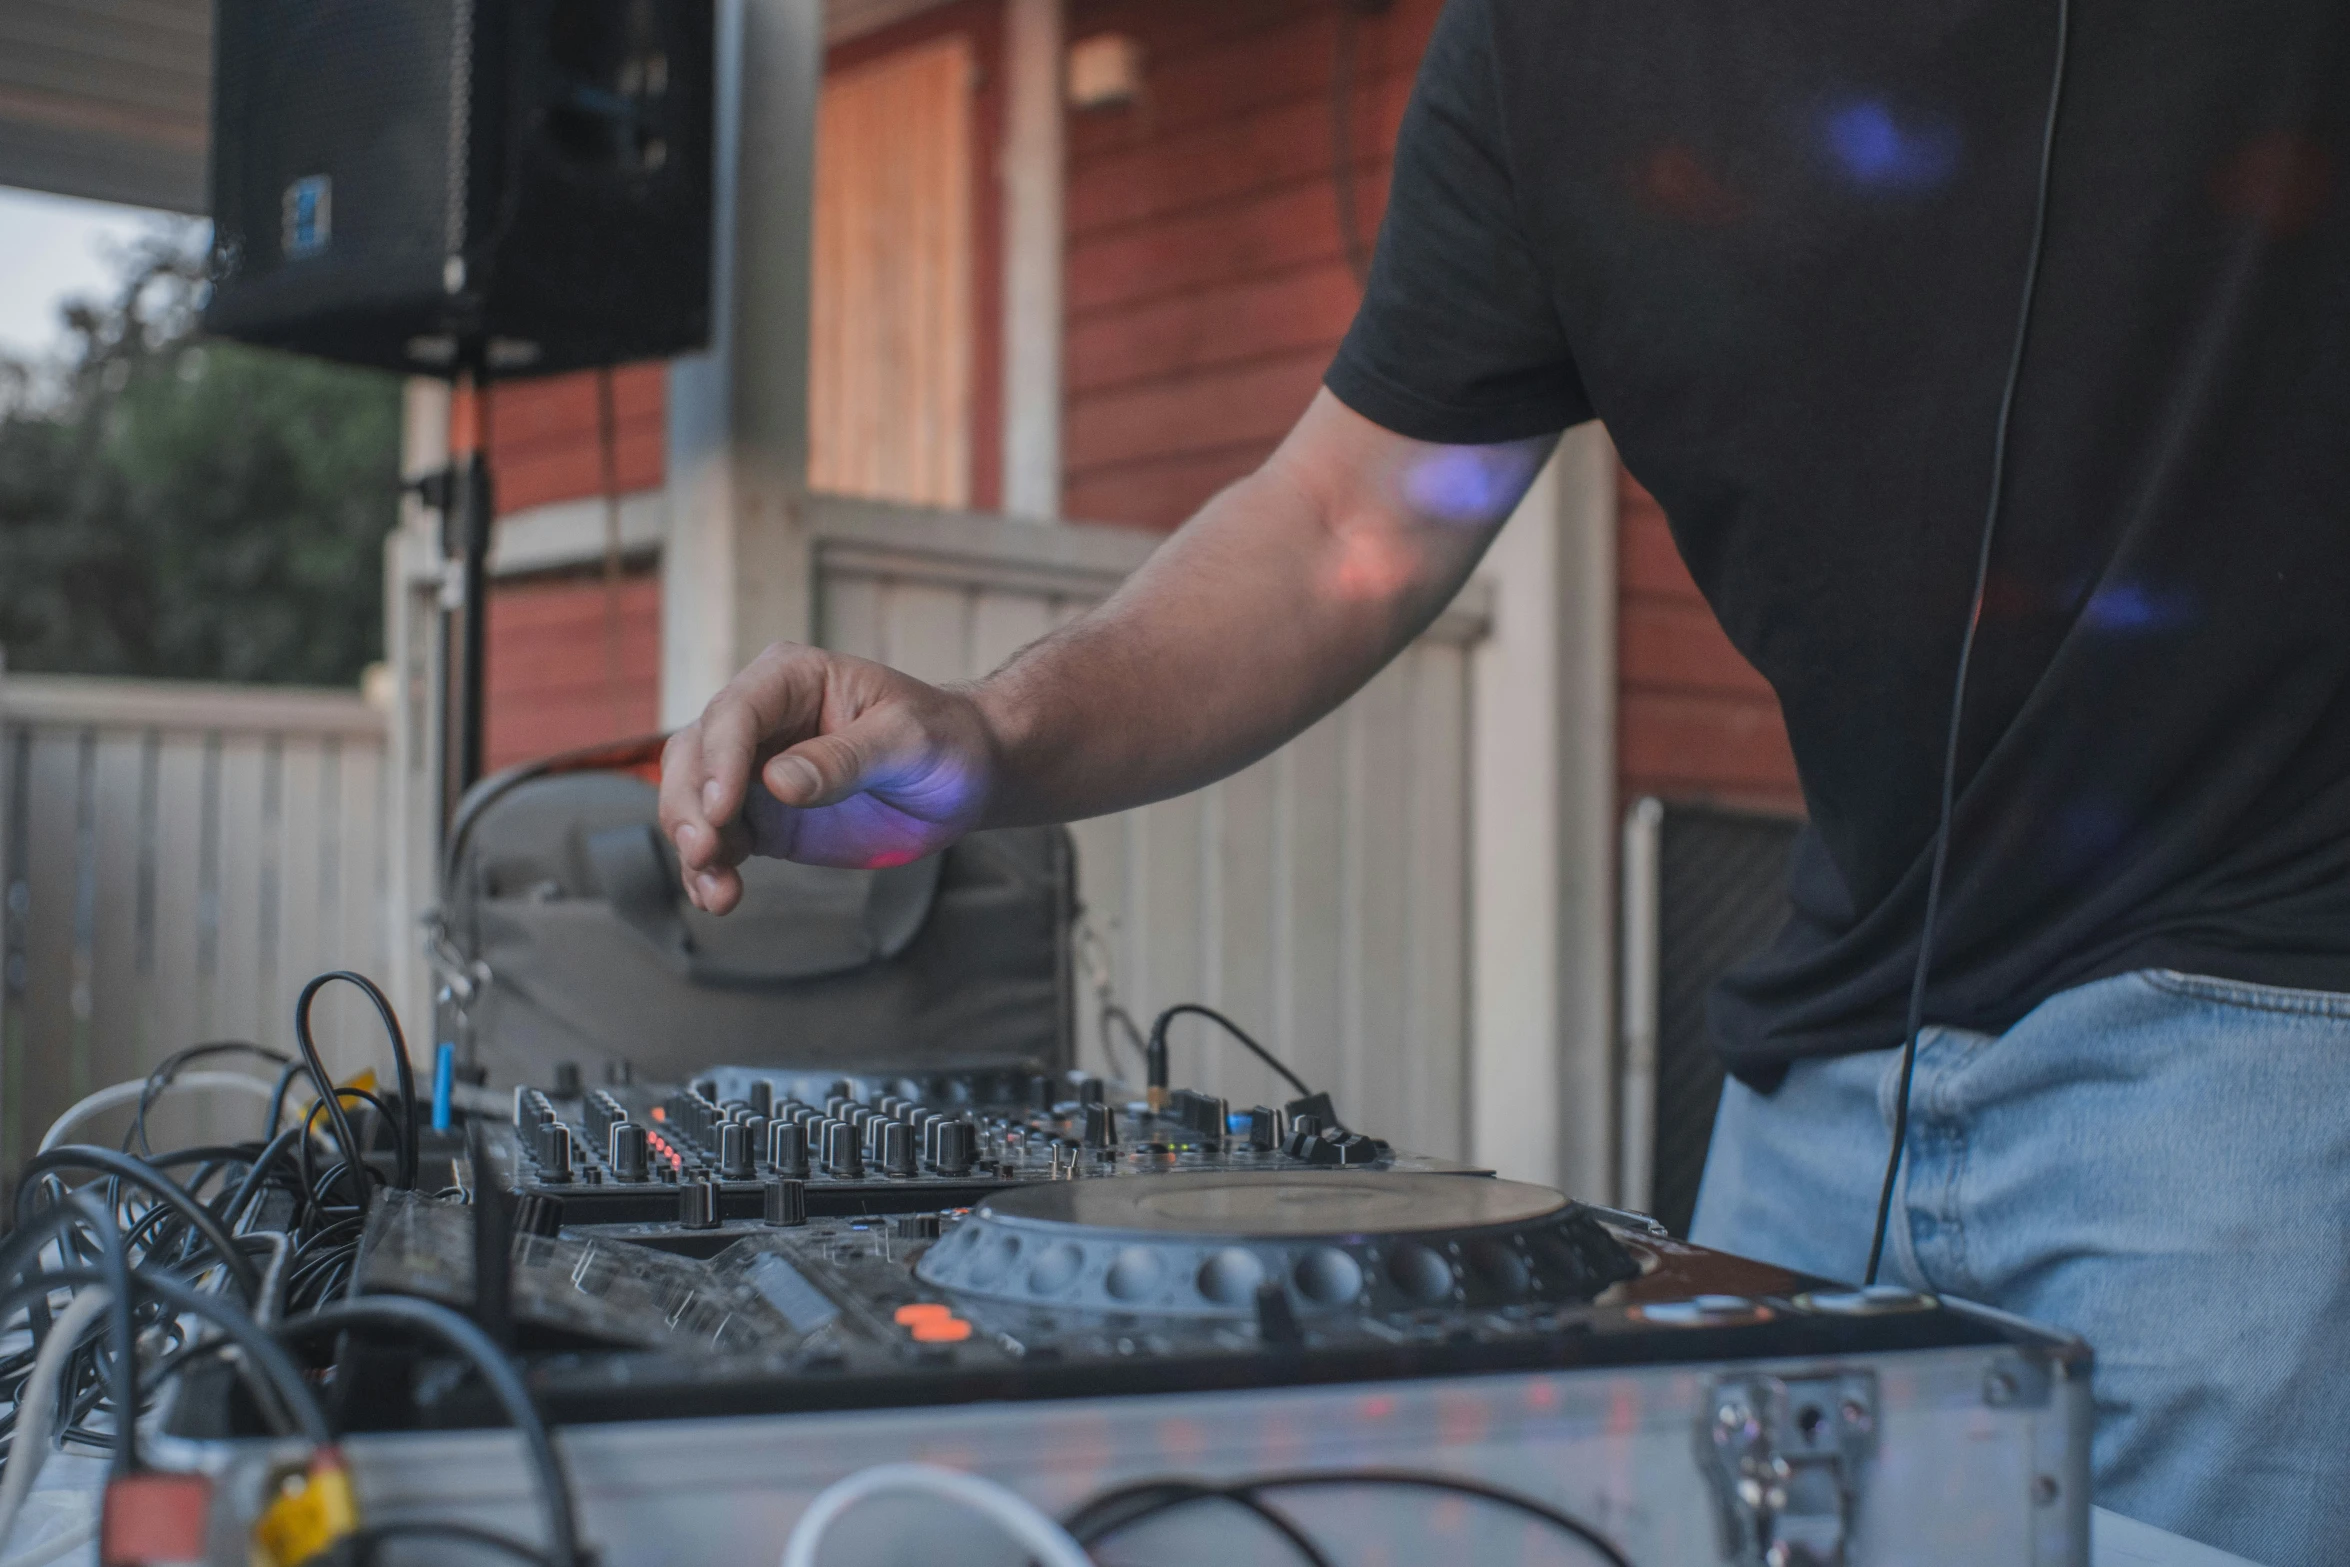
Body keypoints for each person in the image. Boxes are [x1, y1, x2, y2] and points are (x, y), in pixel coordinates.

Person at [661, 2, 2350, 1559]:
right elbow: (1350, 520)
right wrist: (996, 731)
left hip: (2254, 1057)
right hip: (1835, 1069)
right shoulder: (1547, 45)